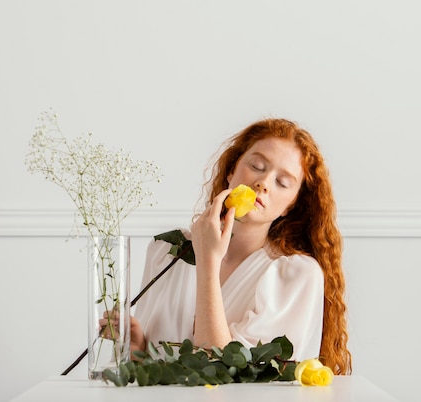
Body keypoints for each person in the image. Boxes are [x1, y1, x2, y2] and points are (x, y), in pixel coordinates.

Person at [103, 118, 352, 375]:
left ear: (291, 204)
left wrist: (208, 261)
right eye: (256, 166)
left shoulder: (295, 275)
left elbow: (228, 375)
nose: (263, 182)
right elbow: (153, 372)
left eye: (282, 182)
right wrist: (139, 349)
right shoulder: (167, 251)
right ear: (232, 171)